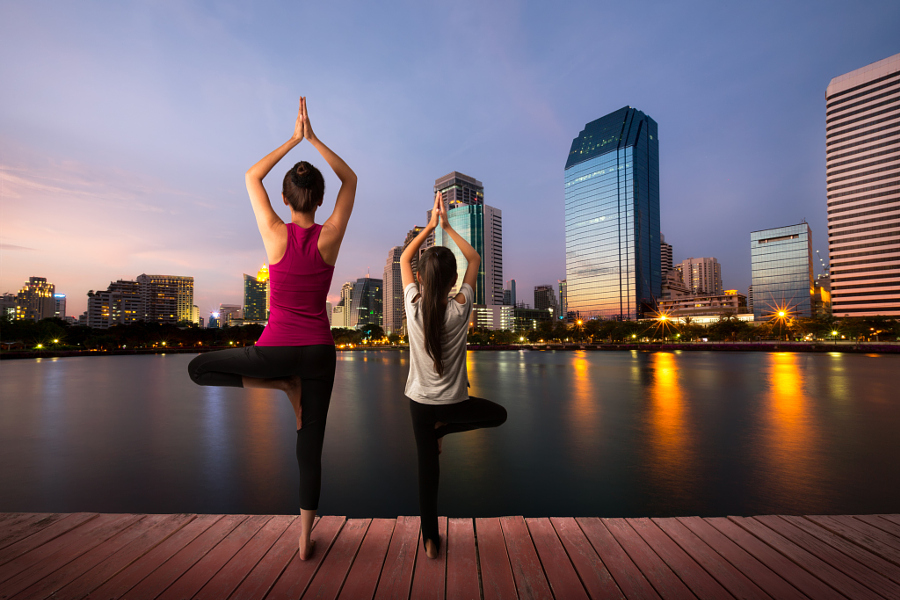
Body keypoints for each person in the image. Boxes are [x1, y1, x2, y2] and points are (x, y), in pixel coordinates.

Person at [188, 97, 356, 560]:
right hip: (321, 352)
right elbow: (352, 179)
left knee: (198, 369)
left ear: (285, 199)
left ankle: (281, 385)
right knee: (311, 450)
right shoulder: (330, 235)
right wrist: (315, 139)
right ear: (320, 199)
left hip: (275, 354)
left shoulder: (274, 232)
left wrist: (294, 138)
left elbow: (250, 177)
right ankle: (305, 542)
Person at [400, 192, 507, 559]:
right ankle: (443, 428)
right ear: (454, 280)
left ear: (421, 278)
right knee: (498, 415)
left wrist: (430, 225)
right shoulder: (461, 307)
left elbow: (403, 258)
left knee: (427, 471)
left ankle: (430, 541)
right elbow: (475, 257)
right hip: (453, 404)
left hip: (419, 403)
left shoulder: (413, 305)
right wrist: (446, 227)